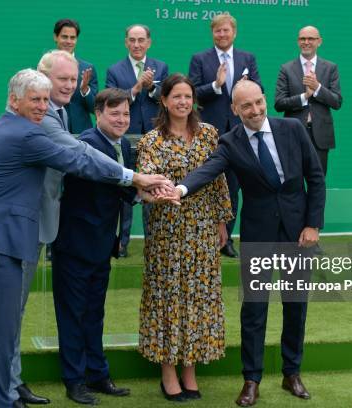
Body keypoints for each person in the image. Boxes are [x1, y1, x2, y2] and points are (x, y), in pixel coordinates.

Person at [0, 68, 170, 408]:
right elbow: (78, 160)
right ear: (13, 100)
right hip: (0, 244)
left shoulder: (2, 127)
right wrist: (137, 177)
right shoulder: (25, 135)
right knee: (0, 336)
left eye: (44, 100)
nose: (41, 106)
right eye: (34, 99)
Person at [164, 80, 326, 406]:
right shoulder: (230, 141)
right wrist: (179, 189)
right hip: (258, 235)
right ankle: (251, 380)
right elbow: (208, 170)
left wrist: (312, 225)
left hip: (297, 234)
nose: (255, 110)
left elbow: (316, 177)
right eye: (246, 106)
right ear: (235, 110)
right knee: (254, 311)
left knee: (296, 307)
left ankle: (291, 373)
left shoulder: (293, 128)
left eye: (258, 102)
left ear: (265, 100)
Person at [136, 73, 232, 402]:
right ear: (163, 100)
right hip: (166, 230)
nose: (183, 102)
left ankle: (190, 367)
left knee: (199, 298)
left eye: (188, 96)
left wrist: (222, 221)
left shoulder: (209, 135)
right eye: (176, 96)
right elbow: (144, 181)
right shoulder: (151, 140)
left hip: (203, 228)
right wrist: (155, 194)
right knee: (168, 298)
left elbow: (218, 179)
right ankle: (167, 371)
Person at [51, 88, 137, 405]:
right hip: (74, 246)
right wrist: (141, 185)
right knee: (72, 316)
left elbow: (125, 191)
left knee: (94, 314)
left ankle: (98, 374)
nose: (121, 119)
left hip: (102, 246)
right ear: (98, 114)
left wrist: (147, 194)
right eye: (114, 113)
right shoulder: (86, 143)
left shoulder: (124, 145)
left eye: (126, 113)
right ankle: (74, 381)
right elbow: (108, 178)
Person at [189, 14, 262, 258]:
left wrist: (247, 86)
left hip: (241, 133)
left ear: (234, 32)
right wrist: (216, 85)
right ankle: (204, 236)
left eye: (226, 30)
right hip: (210, 132)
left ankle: (226, 240)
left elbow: (259, 89)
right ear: (213, 33)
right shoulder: (200, 58)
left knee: (233, 188)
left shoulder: (247, 58)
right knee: (208, 185)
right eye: (218, 31)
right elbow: (192, 94)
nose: (222, 34)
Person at [106, 24, 169, 256]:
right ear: (126, 42)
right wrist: (135, 88)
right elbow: (110, 104)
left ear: (149, 42)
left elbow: (165, 99)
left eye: (141, 40)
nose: (136, 44)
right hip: (124, 139)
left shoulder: (161, 67)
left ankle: (152, 242)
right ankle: (122, 243)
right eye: (132, 40)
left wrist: (152, 87)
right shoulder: (114, 71)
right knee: (125, 189)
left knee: (152, 187)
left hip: (153, 140)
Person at [274, 25, 342, 176]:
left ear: (319, 41)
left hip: (321, 135)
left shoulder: (330, 68)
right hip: (294, 133)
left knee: (318, 180)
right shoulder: (286, 68)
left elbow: (337, 101)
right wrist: (304, 97)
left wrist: (317, 88)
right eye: (302, 38)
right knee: (294, 181)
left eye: (311, 38)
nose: (306, 42)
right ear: (298, 42)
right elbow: (279, 103)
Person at [53, 19, 98, 134]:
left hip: (82, 133)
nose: (68, 41)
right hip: (54, 130)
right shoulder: (46, 66)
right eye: (64, 37)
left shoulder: (88, 68)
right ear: (55, 37)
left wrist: (85, 90)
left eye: (72, 38)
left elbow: (95, 109)